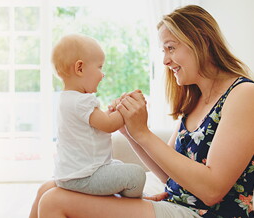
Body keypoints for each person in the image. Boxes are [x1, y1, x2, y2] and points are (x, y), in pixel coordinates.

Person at [33, 5, 254, 218]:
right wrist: (129, 130)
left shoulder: (244, 94)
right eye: (163, 50)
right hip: (176, 203)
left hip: (205, 214)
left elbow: (212, 190)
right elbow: (167, 175)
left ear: (202, 42)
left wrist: (143, 133)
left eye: (171, 48)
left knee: (54, 200)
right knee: (47, 189)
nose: (166, 60)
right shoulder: (195, 102)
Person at [29, 34, 146, 218]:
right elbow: (108, 125)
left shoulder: (67, 99)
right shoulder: (83, 101)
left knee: (118, 165)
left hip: (69, 175)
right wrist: (127, 108)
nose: (103, 74)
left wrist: (113, 112)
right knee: (136, 175)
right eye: (99, 67)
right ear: (80, 68)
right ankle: (133, 204)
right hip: (86, 176)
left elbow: (98, 123)